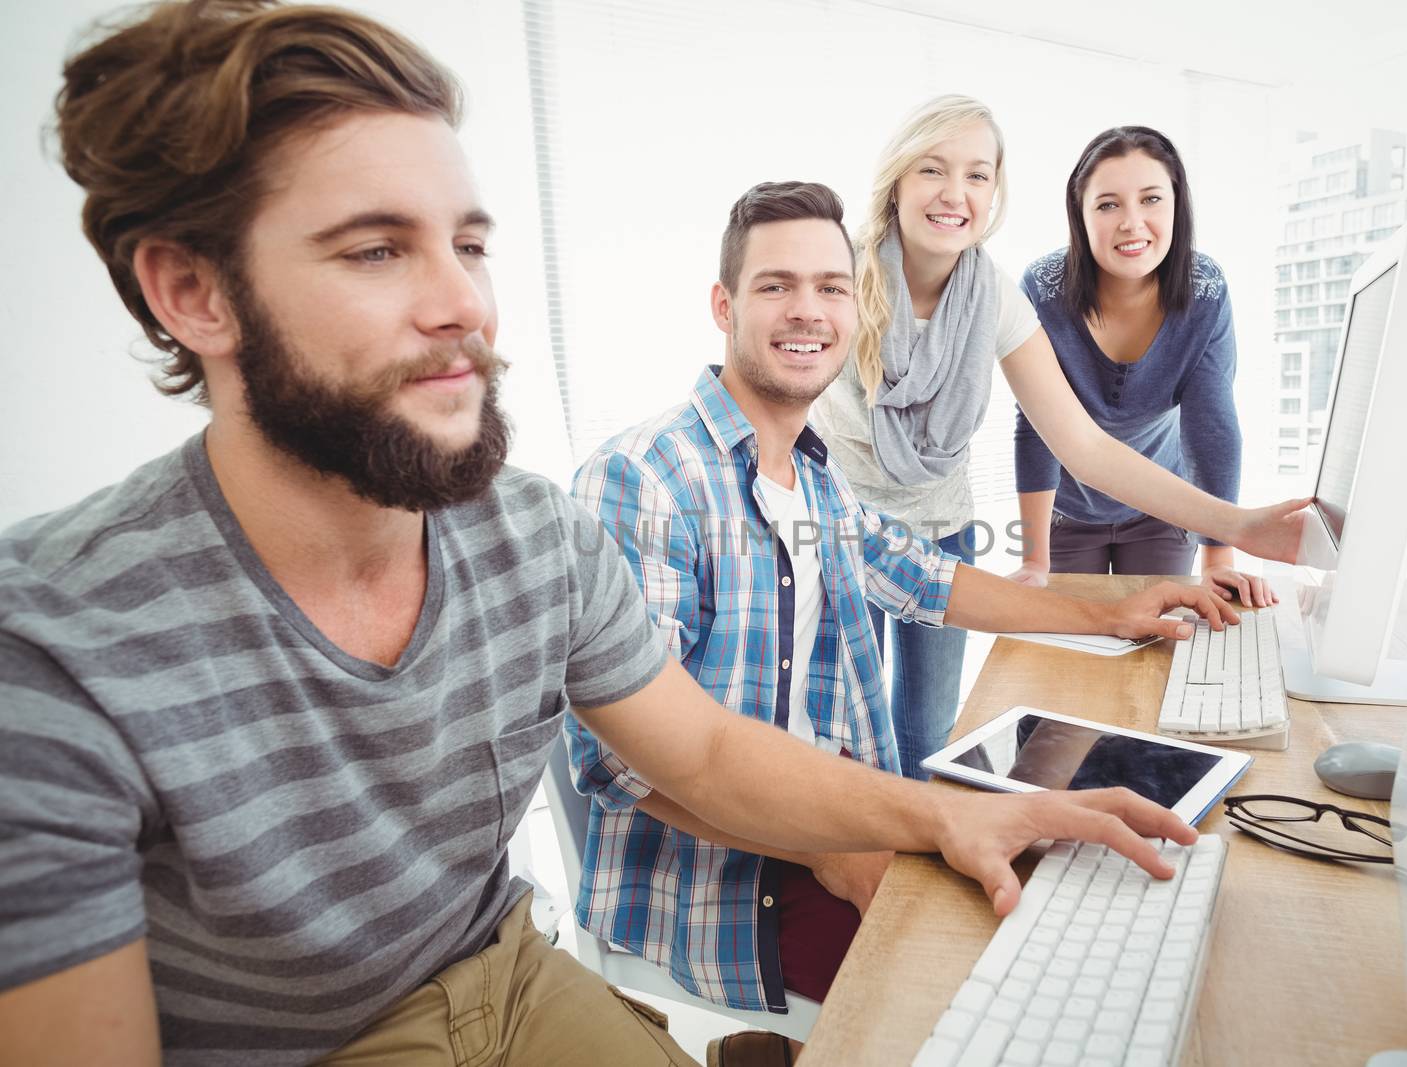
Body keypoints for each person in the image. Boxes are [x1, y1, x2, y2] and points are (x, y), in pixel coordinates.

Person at [0, 5, 1201, 1066]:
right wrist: (868, 836)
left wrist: (964, 783)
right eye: (377, 249)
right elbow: (657, 781)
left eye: (467, 245)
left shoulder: (535, 536)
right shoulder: (55, 651)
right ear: (192, 293)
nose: (464, 301)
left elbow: (722, 742)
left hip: (507, 971)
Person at [565, 181, 1239, 1059]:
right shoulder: (642, 480)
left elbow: (922, 575)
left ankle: (768, 1052)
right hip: (728, 870)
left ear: (856, 309)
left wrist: (1107, 614)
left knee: (1070, 881)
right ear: (725, 306)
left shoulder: (812, 474)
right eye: (776, 286)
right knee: (994, 986)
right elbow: (626, 761)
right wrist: (827, 845)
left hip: (828, 808)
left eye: (832, 287)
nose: (808, 310)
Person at [810, 96, 1306, 781]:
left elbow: (1087, 445)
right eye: (933, 169)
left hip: (940, 533)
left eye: (978, 175)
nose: (956, 193)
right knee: (833, 726)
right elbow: (778, 409)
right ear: (897, 178)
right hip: (834, 532)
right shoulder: (835, 274)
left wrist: (1240, 528)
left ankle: (911, 850)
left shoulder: (994, 298)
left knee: (924, 725)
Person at [1012, 126, 1275, 608]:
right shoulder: (1042, 291)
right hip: (1066, 514)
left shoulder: (1204, 290)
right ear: (1081, 216)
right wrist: (1034, 558)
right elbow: (1036, 426)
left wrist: (1219, 558)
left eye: (1151, 199)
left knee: (1156, 648)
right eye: (1109, 204)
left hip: (1164, 510)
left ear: (1177, 205)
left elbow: (1211, 424)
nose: (1132, 222)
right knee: (1075, 653)